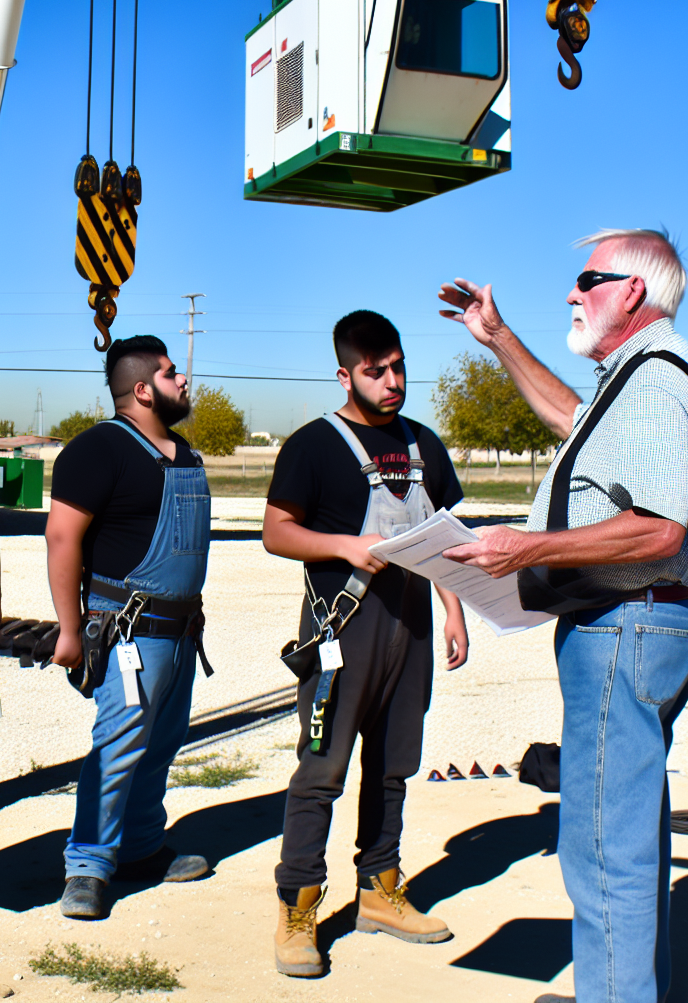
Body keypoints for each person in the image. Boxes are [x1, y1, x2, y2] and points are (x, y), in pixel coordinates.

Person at [438, 228, 688, 1003]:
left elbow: (659, 527)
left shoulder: (656, 382)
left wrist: (528, 549)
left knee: (601, 849)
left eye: (587, 280)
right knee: (628, 835)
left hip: (625, 624)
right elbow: (576, 423)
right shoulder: (636, 378)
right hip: (640, 624)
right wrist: (499, 339)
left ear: (633, 291)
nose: (572, 292)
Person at [263, 311, 469, 978]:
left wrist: (454, 609)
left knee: (393, 766)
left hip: (409, 626)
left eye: (398, 366)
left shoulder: (424, 445)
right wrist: (343, 545)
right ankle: (298, 907)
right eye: (375, 370)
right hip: (341, 630)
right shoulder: (314, 446)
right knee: (321, 770)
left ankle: (380, 890)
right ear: (345, 373)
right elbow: (276, 532)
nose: (391, 381)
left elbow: (443, 532)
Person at [46, 335, 212, 920]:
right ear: (142, 389)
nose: (183, 380)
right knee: (118, 746)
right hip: (128, 636)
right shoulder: (98, 451)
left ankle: (141, 846)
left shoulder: (185, 454)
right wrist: (70, 630)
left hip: (181, 633)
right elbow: (62, 539)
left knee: (160, 744)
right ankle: (87, 866)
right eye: (171, 373)